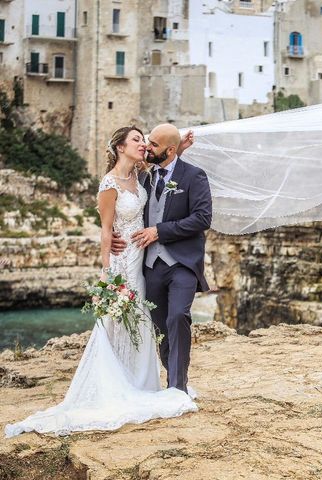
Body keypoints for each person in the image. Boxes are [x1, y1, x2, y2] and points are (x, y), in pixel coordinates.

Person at [5, 126, 198, 437]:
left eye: (145, 141)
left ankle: (139, 383)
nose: (144, 145)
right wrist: (106, 272)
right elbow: (106, 230)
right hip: (122, 261)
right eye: (137, 140)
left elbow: (168, 168)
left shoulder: (141, 174)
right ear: (120, 147)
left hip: (142, 261)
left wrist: (181, 148)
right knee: (116, 322)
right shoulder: (109, 184)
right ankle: (115, 385)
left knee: (141, 320)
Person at [119, 123, 212, 393]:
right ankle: (174, 377)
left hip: (182, 262)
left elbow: (202, 218)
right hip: (150, 266)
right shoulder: (144, 177)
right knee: (160, 327)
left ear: (170, 150)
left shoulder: (194, 176)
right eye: (147, 142)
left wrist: (160, 231)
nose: (148, 147)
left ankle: (178, 388)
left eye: (154, 145)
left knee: (178, 317)